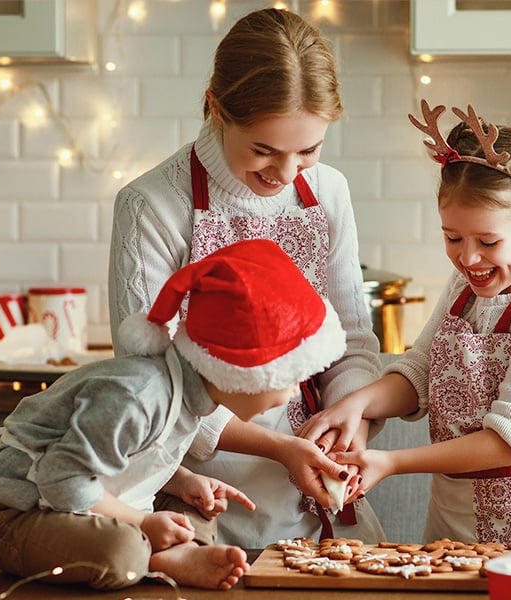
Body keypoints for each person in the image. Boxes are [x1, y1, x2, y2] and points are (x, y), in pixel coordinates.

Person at [107, 7, 383, 547]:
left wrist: (352, 420)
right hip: (199, 493)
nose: (285, 174)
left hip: (320, 489)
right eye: (264, 150)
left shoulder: (328, 192)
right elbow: (149, 384)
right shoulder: (153, 205)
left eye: (308, 150)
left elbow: (351, 340)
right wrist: (278, 447)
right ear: (215, 108)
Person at [0, 239, 348, 591]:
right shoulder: (138, 397)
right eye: (291, 377)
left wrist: (181, 481)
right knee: (121, 552)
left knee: (196, 514)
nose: (296, 390)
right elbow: (62, 480)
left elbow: (130, 457)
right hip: (18, 512)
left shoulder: (194, 395)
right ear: (242, 374)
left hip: (85, 502)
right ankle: (156, 557)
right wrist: (144, 523)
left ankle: (170, 553)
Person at [298, 100, 511, 544]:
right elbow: (419, 373)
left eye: (488, 242)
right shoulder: (462, 289)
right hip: (449, 525)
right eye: (452, 237)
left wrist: (391, 461)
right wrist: (354, 405)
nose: (468, 258)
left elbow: (509, 442)